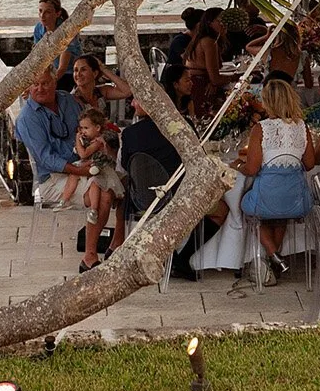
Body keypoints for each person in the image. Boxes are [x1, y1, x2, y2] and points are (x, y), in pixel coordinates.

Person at [237, 78, 316, 284]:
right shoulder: (302, 127)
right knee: (279, 214)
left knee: (248, 209)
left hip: (267, 196)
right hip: (295, 199)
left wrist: (237, 166)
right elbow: (309, 163)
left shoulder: (261, 129)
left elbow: (252, 168)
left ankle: (273, 255)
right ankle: (274, 261)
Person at [119, 98, 202, 282]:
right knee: (221, 209)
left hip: (142, 199)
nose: (132, 104)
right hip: (180, 199)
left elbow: (126, 165)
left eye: (136, 100)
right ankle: (182, 257)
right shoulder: (182, 124)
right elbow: (198, 157)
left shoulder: (131, 133)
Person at [13, 68, 91, 208]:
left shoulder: (67, 99)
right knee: (102, 194)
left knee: (122, 184)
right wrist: (78, 170)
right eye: (35, 84)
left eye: (45, 83)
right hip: (54, 178)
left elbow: (88, 128)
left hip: (83, 163)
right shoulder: (27, 118)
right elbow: (45, 158)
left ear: (55, 82)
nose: (40, 89)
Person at [72, 108, 125, 270]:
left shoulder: (100, 139)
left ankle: (114, 243)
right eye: (81, 128)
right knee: (105, 194)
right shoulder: (90, 139)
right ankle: (90, 254)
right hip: (83, 173)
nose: (82, 131)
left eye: (85, 128)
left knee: (109, 192)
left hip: (101, 172)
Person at [32, 0, 86, 66]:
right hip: (53, 71)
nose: (42, 15)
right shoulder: (38, 28)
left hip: (72, 72)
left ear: (58, 13)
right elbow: (38, 55)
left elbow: (62, 68)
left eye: (47, 12)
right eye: (40, 11)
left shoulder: (67, 30)